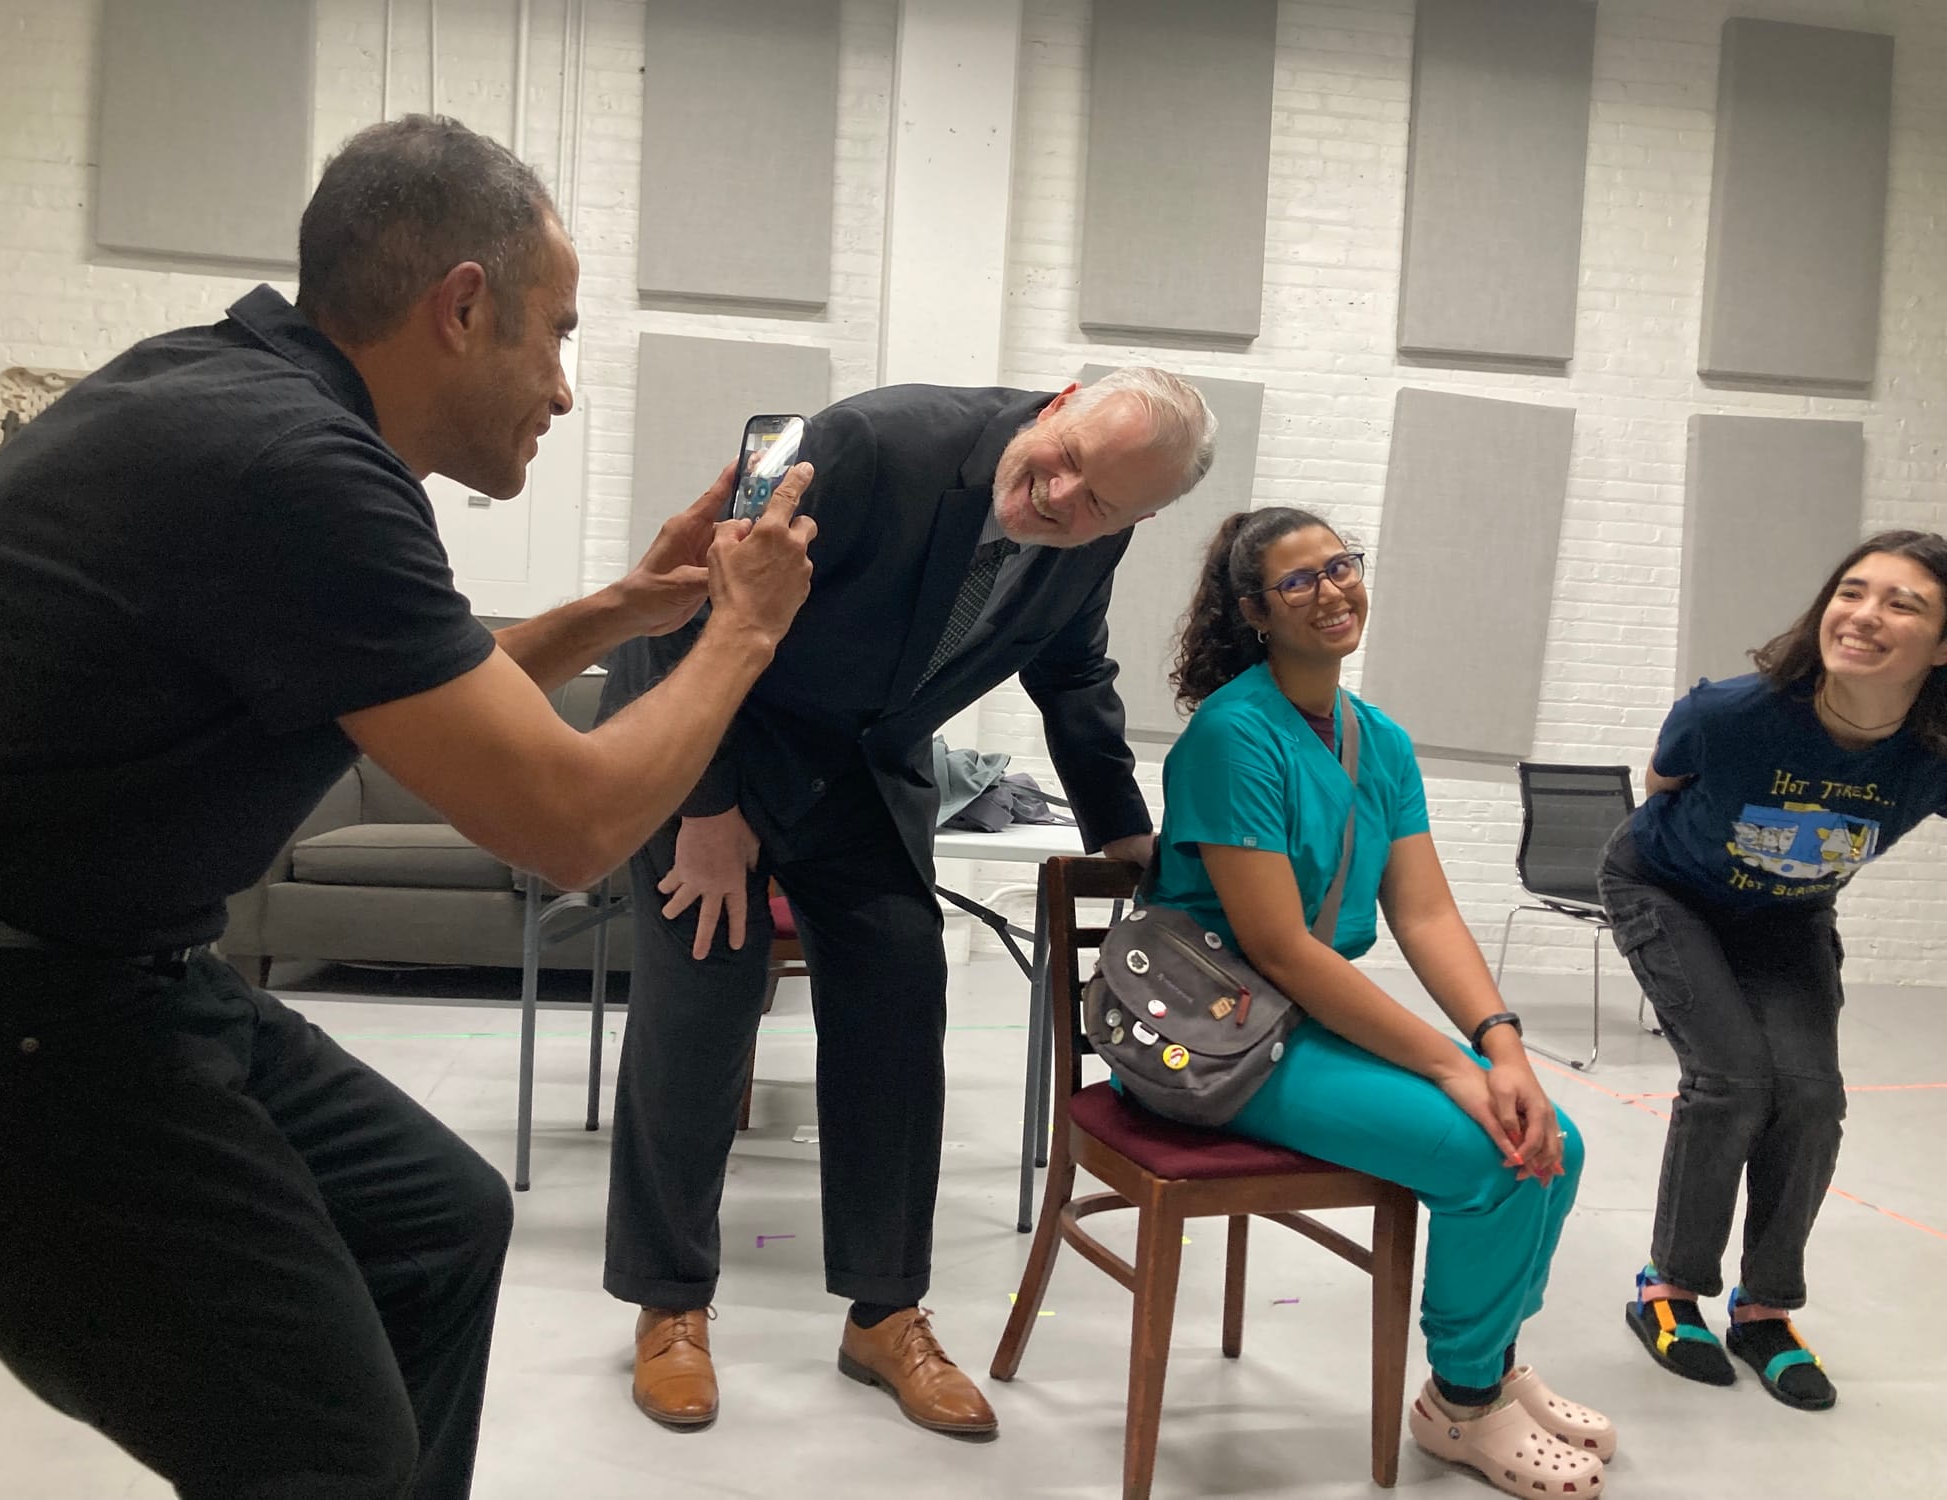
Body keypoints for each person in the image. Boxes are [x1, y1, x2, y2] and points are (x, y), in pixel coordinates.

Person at [0, 116, 815, 1499]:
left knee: (436, 1223)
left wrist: (628, 608)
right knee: (319, 1447)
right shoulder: (296, 471)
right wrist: (743, 635)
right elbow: (572, 823)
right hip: (12, 1032)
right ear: (462, 308)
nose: (566, 390)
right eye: (558, 335)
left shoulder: (237, 394)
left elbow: (439, 724)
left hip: (118, 974)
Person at [600, 368, 1214, 1436]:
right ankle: (670, 1304)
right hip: (710, 738)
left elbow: (1071, 677)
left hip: (858, 769)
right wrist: (707, 810)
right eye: (1062, 460)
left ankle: (883, 1313)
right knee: (701, 1003)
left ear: (1142, 517)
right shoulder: (872, 446)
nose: (1063, 498)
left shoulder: (1092, 534)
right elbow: (695, 600)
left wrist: (1125, 836)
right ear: (1057, 403)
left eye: (1103, 502)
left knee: (897, 993)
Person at [1142, 507, 1610, 1500]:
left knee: (1547, 1137)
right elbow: (1273, 946)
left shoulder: (1379, 741)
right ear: (1253, 613)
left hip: (1309, 1023)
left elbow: (1426, 913)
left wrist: (1500, 1046)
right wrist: (1450, 1066)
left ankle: (1487, 1357)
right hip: (1218, 1041)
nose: (1331, 590)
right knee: (1496, 1155)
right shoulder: (1233, 736)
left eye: (1339, 566)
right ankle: (1462, 1404)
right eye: (1299, 580)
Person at [1600, 530, 1947, 1414]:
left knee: (1812, 1095)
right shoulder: (1730, 713)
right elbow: (1661, 786)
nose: (1865, 615)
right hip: (1667, 890)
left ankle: (1764, 1311)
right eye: (1852, 591)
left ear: (1943, 646)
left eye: (1902, 603)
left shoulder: (1933, 750)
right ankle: (1668, 1290)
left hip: (1787, 916)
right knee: (1730, 1082)